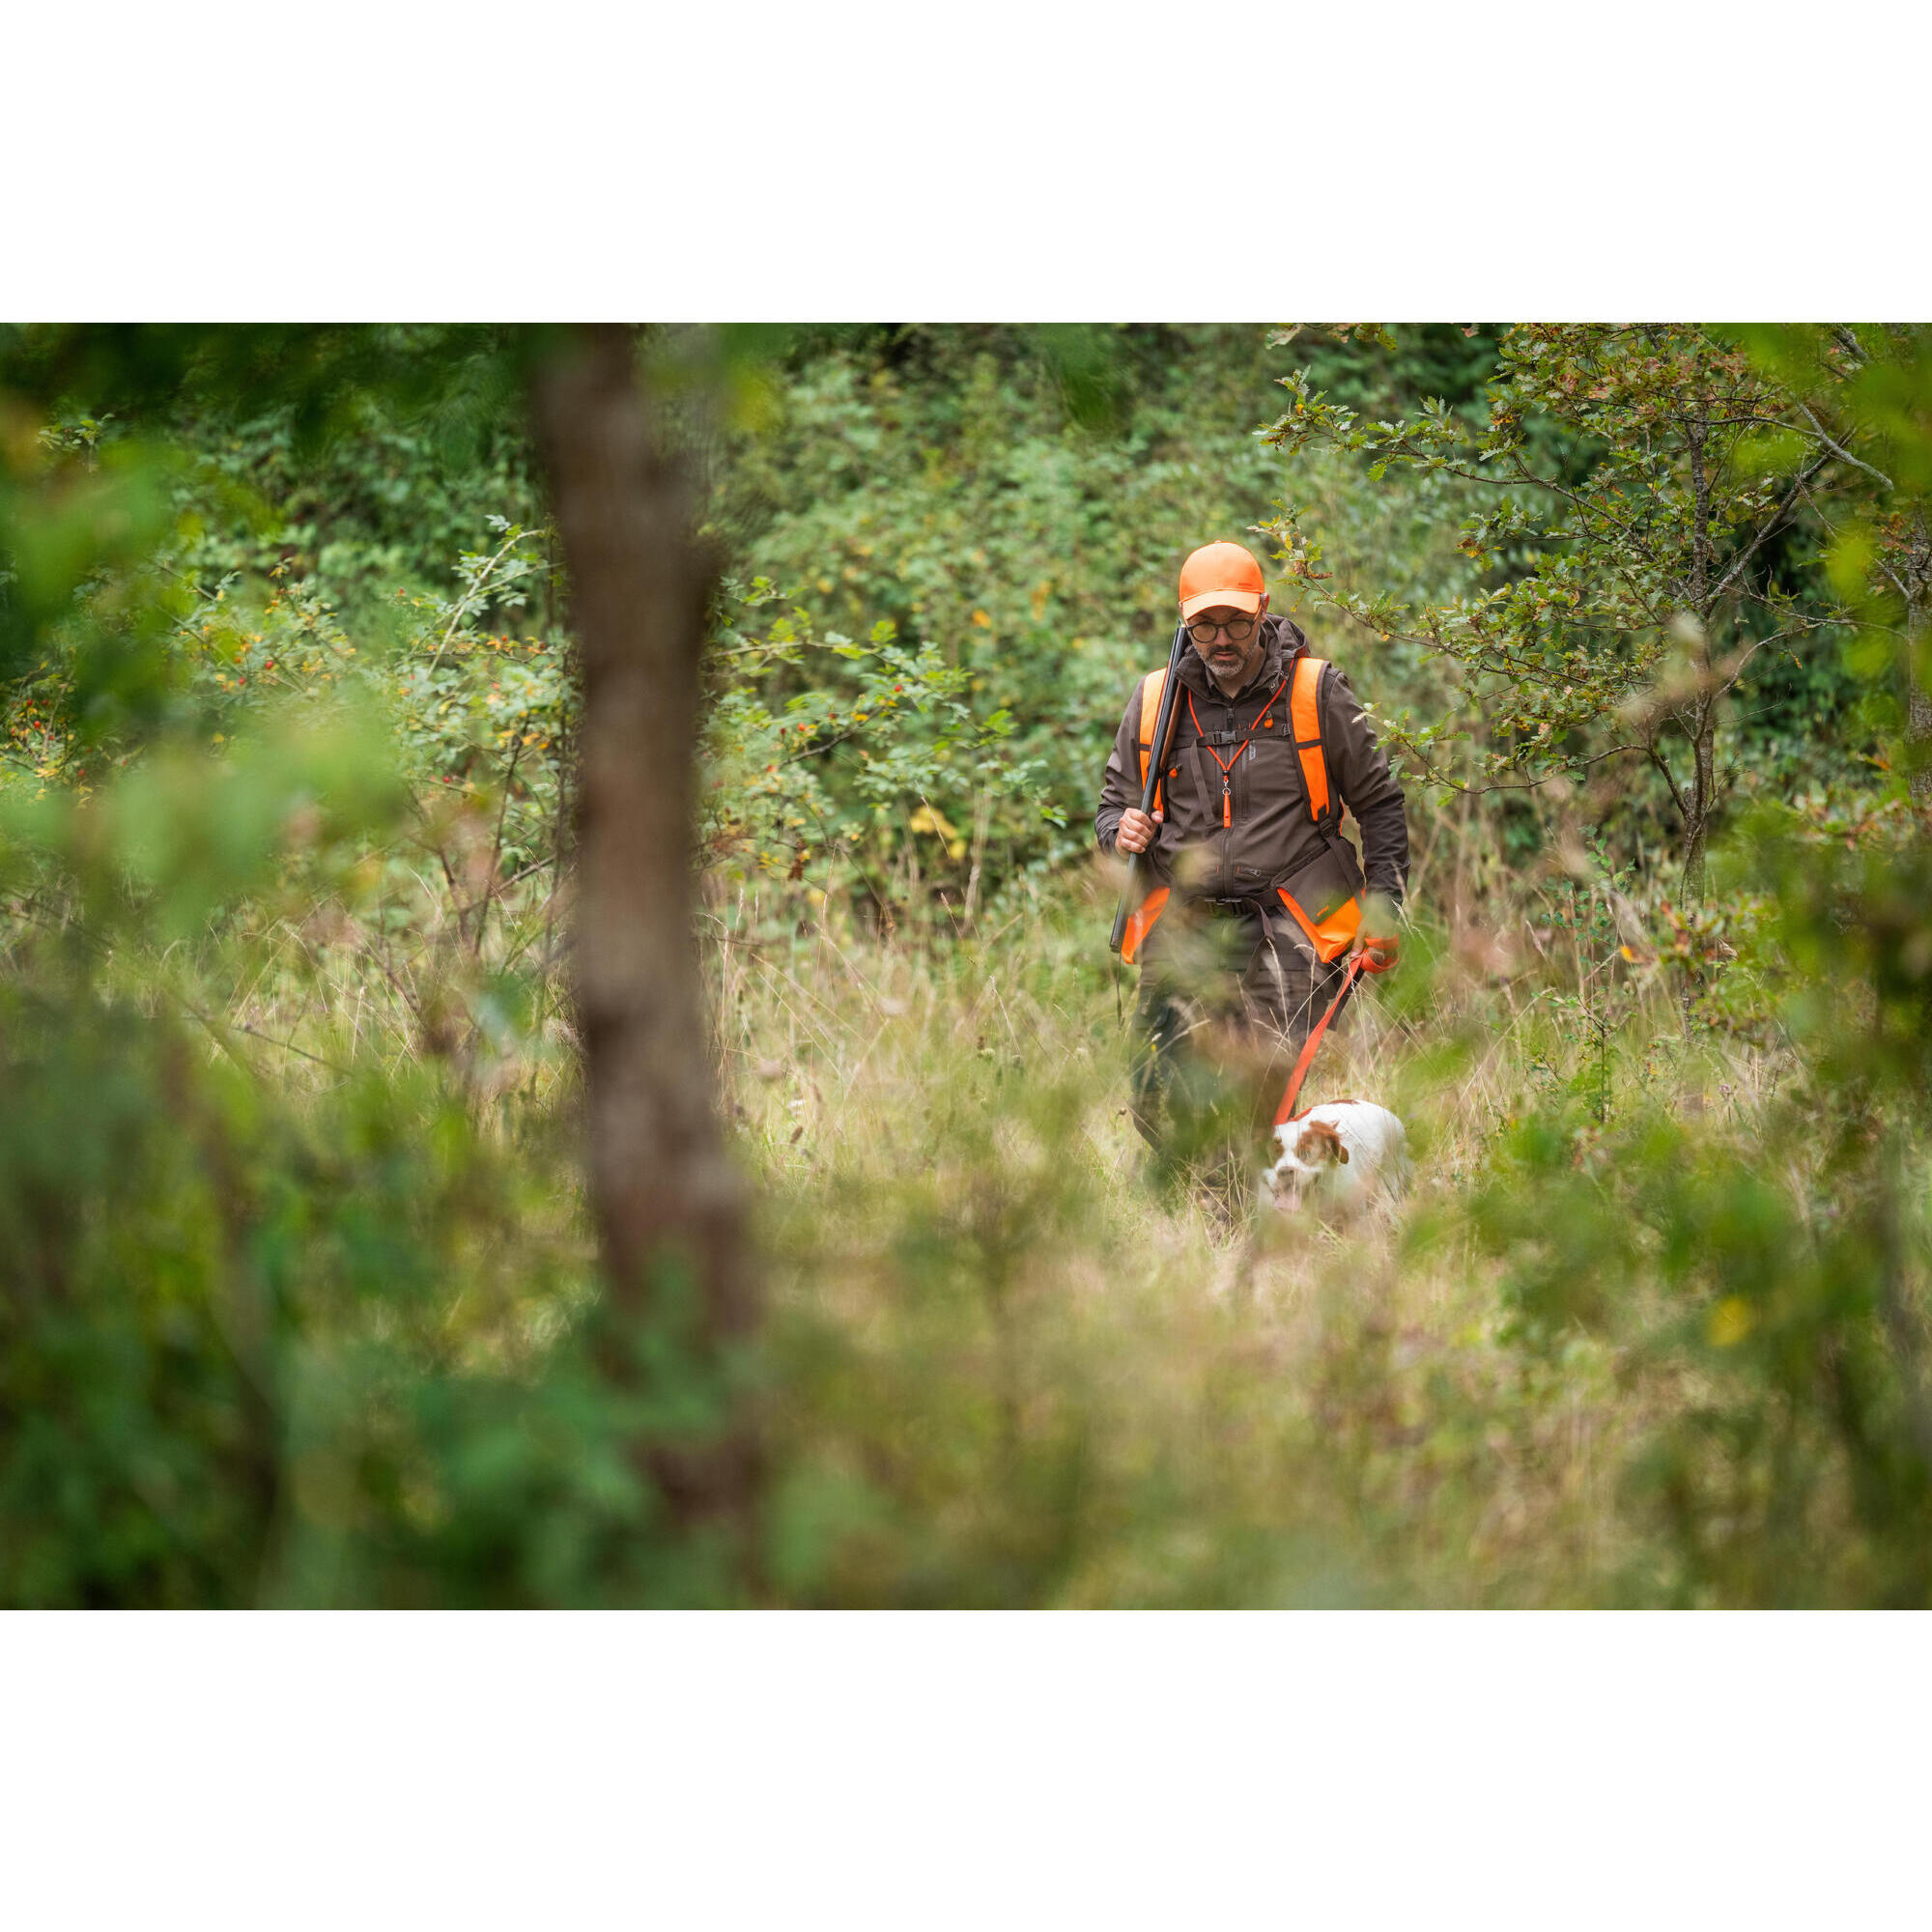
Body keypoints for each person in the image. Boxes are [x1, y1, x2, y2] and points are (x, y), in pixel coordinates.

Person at [1094, 540, 1410, 1171]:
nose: (1222, 639)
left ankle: (1252, 1226)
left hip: (1291, 921)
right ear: (1185, 622)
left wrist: (1385, 906)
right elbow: (1113, 807)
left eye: (1237, 621)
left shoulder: (1315, 691)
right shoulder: (1156, 702)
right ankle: (1222, 1207)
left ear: (1263, 610)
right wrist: (1119, 831)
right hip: (1184, 928)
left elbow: (1379, 802)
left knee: (1266, 1093)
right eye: (1205, 625)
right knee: (1155, 1096)